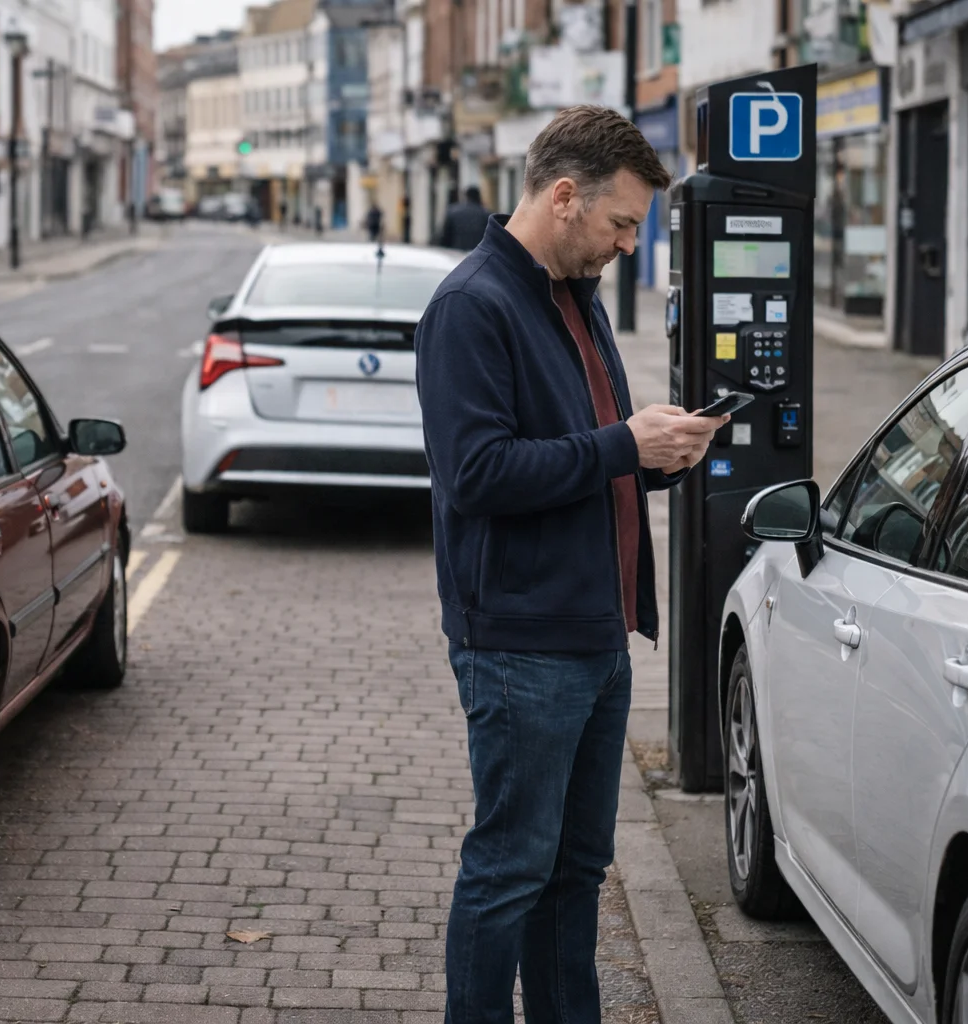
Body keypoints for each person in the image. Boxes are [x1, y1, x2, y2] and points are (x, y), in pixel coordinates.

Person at [415, 105, 728, 1024]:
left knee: (577, 871)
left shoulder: (574, 296)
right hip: (521, 643)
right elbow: (477, 474)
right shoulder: (471, 306)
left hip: (596, 635)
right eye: (621, 223)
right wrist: (624, 444)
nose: (629, 245)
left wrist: (663, 454)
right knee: (510, 869)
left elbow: (588, 454)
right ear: (563, 196)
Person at [437, 185, 489, 251]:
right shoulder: (485, 214)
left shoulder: (453, 212)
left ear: (466, 196)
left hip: (456, 252)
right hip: (478, 251)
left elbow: (445, 236)